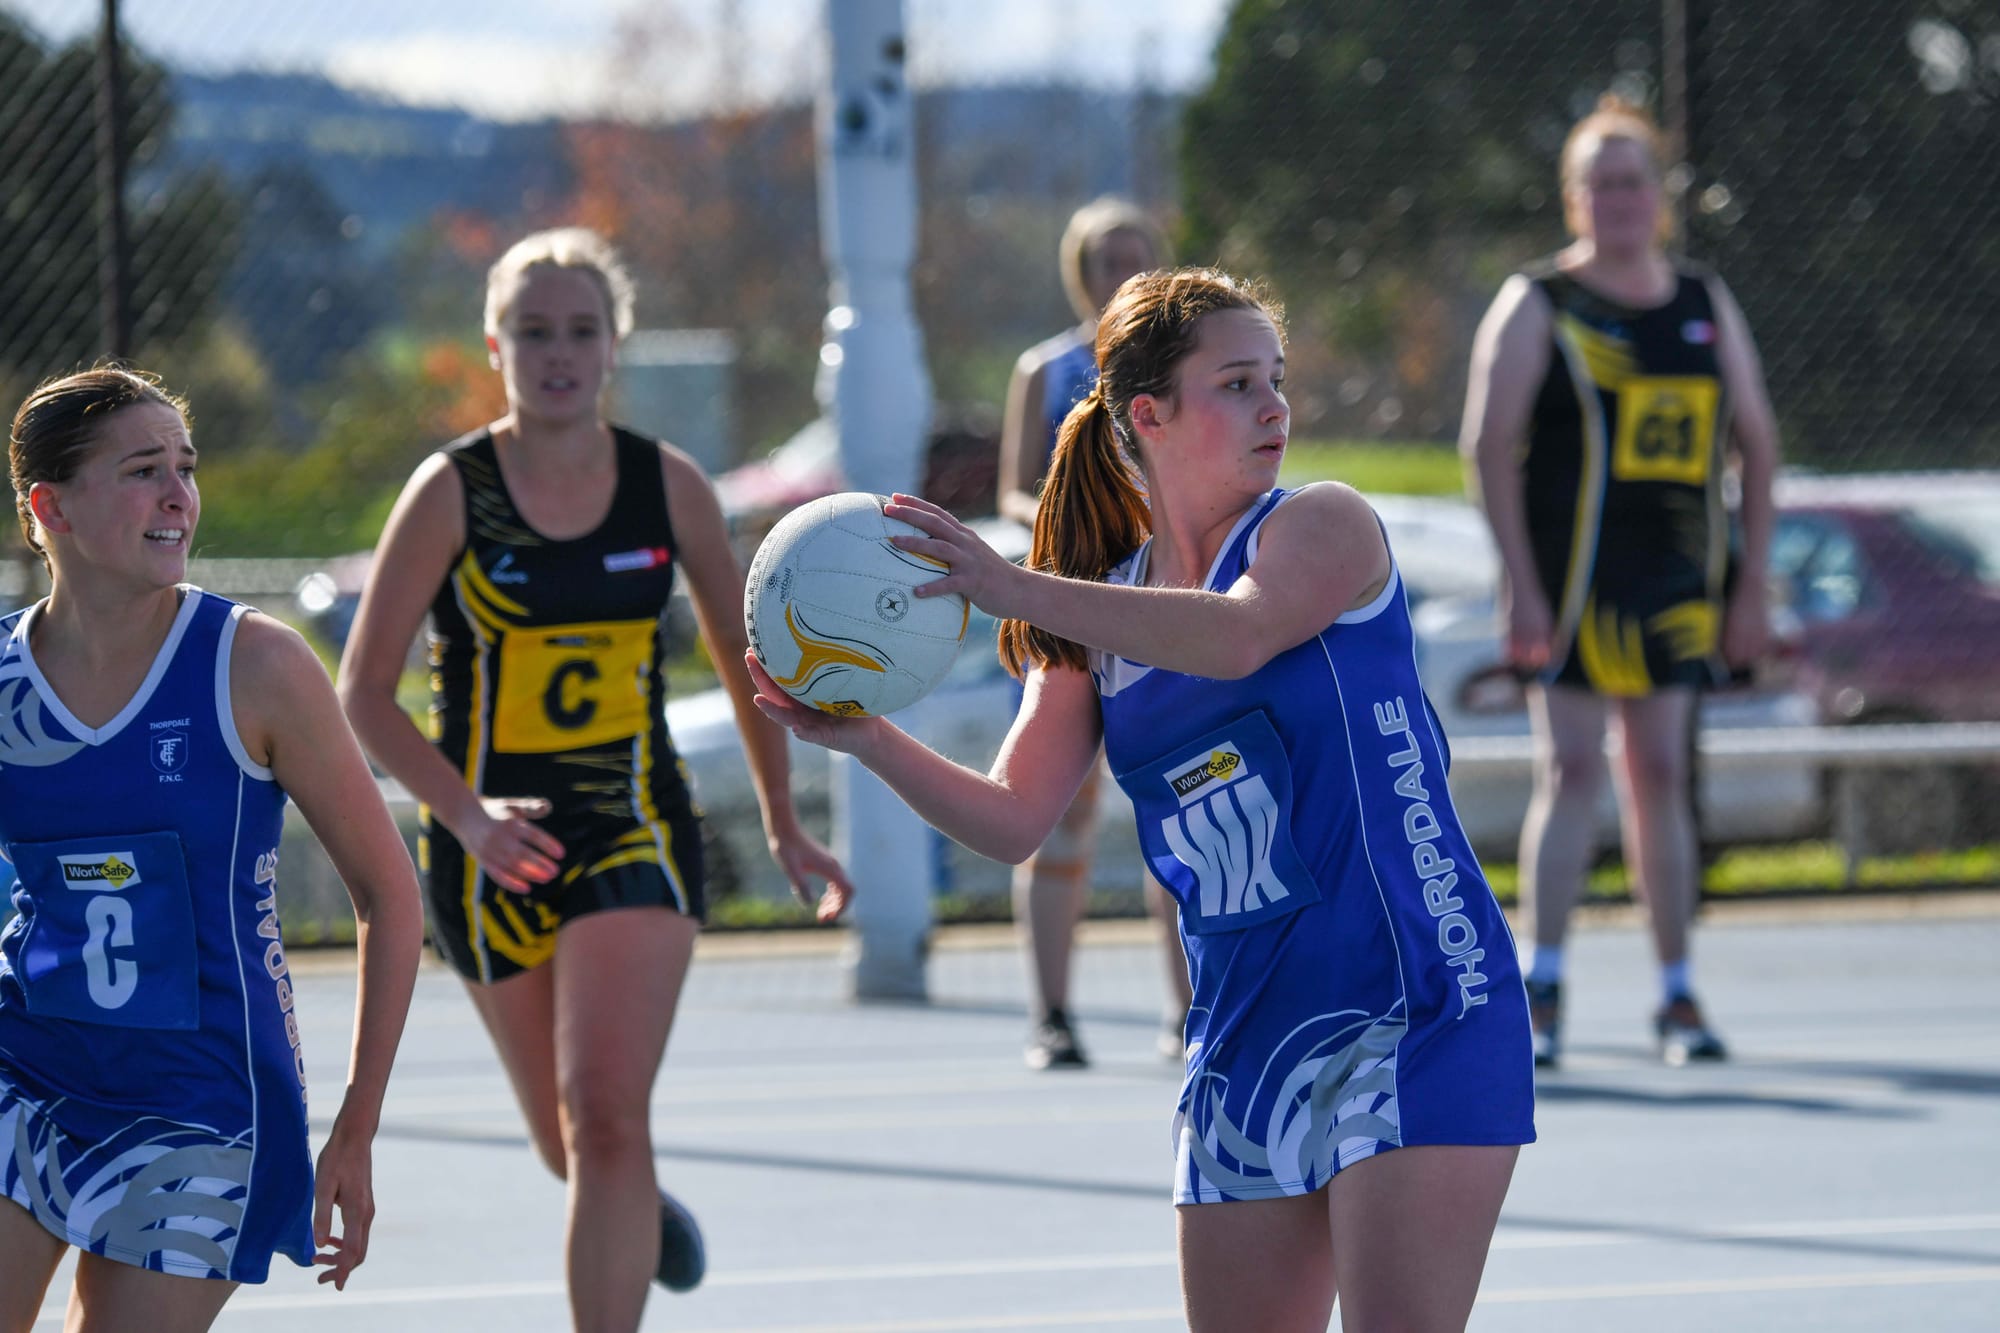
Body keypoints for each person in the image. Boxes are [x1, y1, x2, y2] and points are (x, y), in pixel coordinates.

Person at [750, 267, 1535, 1332]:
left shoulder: (1321, 527)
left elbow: (1239, 634)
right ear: (1149, 416)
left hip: (1415, 1002)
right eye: (1237, 384)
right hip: (1249, 1034)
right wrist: (868, 738)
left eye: (1276, 379)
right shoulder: (1098, 621)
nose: (1274, 407)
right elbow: (1014, 818)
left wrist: (1010, 586)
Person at [338, 227, 851, 1333]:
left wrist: (782, 820)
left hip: (633, 825)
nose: (558, 352)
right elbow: (364, 693)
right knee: (566, 1142)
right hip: (489, 844)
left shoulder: (666, 485)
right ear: (495, 345)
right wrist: (467, 815)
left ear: (615, 344)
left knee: (608, 1116)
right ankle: (637, 1209)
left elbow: (745, 659)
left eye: (581, 330)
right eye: (534, 332)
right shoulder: (451, 491)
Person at [0, 367, 422, 1332]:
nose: (178, 495)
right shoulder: (7, 684)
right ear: (51, 507)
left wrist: (356, 1124)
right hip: (28, 1066)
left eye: (185, 468)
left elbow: (389, 895)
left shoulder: (254, 664)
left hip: (199, 1104)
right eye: (142, 470)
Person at [1459, 94, 1778, 1069]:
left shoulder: (1702, 300)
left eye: (1632, 180)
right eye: (1599, 182)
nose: (1618, 198)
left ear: (1659, 194)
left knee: (1660, 774)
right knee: (1569, 769)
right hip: (1570, 580)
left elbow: (1758, 447)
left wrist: (1749, 587)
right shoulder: (1538, 302)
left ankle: (1676, 993)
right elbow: (1486, 446)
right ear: (1572, 197)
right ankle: (1541, 988)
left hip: (1674, 581)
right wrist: (1519, 584)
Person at [996, 196, 1191, 1070]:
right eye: (1107, 259)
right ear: (1080, 273)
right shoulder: (1047, 370)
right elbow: (1012, 489)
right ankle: (1052, 1013)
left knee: (1181, 805)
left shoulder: (1182, 365)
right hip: (1072, 611)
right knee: (1056, 814)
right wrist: (1071, 519)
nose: (1122, 271)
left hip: (1159, 611)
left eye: (1136, 255)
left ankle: (1189, 1011)